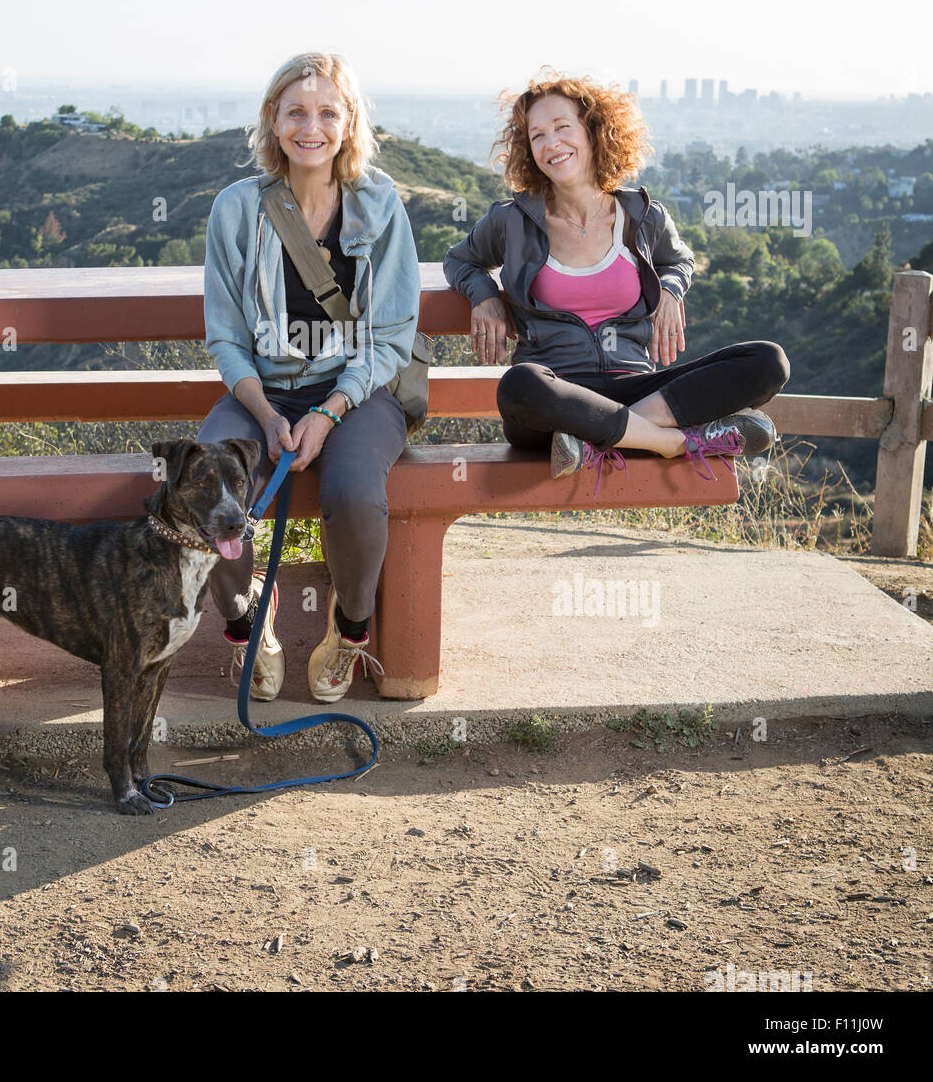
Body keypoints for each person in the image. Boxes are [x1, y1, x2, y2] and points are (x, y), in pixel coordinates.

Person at [443, 70, 789, 487]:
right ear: (527, 148)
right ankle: (672, 442)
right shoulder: (511, 220)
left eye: (562, 127)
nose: (551, 143)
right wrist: (484, 295)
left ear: (593, 132)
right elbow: (460, 261)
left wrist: (671, 291)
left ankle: (595, 441)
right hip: (557, 400)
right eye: (537, 135)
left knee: (767, 360)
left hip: (634, 387)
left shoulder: (643, 216)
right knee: (520, 384)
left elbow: (679, 262)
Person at [198, 52, 420, 702]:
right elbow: (225, 337)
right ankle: (246, 625)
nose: (310, 126)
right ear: (273, 118)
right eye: (296, 111)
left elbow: (389, 338)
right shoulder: (236, 210)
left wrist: (327, 414)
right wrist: (266, 415)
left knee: (353, 495)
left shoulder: (379, 207)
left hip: (357, 392)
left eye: (327, 112)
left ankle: (349, 628)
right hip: (260, 390)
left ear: (349, 123)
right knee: (208, 488)